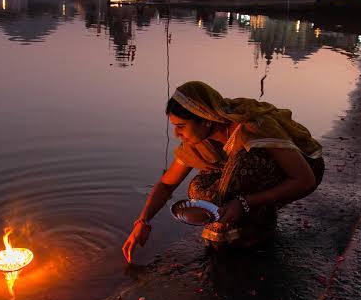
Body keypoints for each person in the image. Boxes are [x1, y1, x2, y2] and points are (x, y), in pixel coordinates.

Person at [122, 81, 325, 262]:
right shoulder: (199, 142)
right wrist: (143, 221)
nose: (177, 134)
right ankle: (241, 221)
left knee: (240, 169)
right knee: (199, 188)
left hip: (303, 170)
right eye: (175, 127)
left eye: (181, 127)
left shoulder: (254, 128)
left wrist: (244, 202)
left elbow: (304, 179)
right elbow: (167, 184)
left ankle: (260, 223)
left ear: (206, 119)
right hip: (252, 175)